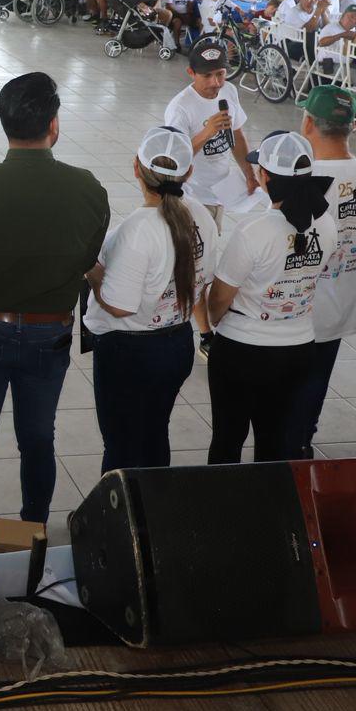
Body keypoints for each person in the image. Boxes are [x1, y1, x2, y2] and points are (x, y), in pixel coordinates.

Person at [0, 73, 108, 523]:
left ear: (4, 124)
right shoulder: (88, 188)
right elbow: (88, 255)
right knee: (38, 438)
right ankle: (33, 528)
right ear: (53, 125)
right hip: (49, 334)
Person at [83, 127, 217, 471]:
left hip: (129, 352)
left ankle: (113, 521)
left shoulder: (136, 230)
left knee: (121, 444)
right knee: (155, 432)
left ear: (136, 168)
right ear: (188, 172)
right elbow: (203, 282)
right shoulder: (202, 216)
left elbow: (120, 305)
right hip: (175, 345)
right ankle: (154, 512)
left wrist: (95, 276)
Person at [206, 131, 337, 463]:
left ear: (264, 177)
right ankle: (271, 508)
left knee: (228, 439)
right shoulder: (327, 224)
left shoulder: (255, 230)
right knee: (276, 442)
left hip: (242, 351)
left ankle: (221, 512)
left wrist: (213, 321)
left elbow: (219, 299)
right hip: (298, 349)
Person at [288, 87, 356, 459]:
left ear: (308, 122)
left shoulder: (302, 178)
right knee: (315, 383)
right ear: (352, 126)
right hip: (341, 301)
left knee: (283, 390)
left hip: (296, 309)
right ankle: (301, 443)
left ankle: (284, 452)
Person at [164, 39, 259, 225]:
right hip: (191, 197)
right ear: (191, 73)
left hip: (222, 193)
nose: (215, 82)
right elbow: (175, 158)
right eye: (207, 76)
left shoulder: (229, 91)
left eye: (220, 74)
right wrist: (207, 132)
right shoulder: (180, 108)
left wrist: (249, 174)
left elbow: (237, 136)